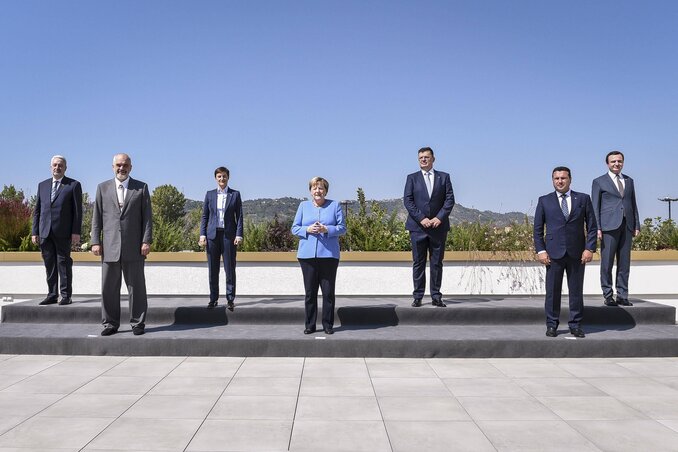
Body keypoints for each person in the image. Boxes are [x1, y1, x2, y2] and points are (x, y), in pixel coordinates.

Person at [91, 153, 152, 336]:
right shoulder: (102, 188)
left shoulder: (141, 188)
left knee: (137, 288)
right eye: (118, 165)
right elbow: (96, 217)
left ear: (130, 167)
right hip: (109, 247)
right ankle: (110, 323)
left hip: (134, 247)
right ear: (112, 167)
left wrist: (146, 240)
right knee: (108, 288)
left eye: (125, 165)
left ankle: (138, 323)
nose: (121, 168)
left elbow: (147, 218)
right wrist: (95, 241)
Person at [534, 166, 597, 338]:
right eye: (556, 178)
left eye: (563, 178)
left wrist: (589, 248)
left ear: (570, 179)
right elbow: (538, 230)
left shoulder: (583, 199)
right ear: (552, 180)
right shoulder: (544, 200)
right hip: (552, 254)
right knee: (552, 292)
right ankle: (552, 325)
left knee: (576, 291)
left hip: (577, 254)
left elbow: (592, 226)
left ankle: (575, 324)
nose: (560, 181)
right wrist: (541, 251)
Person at [291, 177, 346, 334]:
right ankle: (310, 325)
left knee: (328, 292)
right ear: (310, 191)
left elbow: (342, 228)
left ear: (326, 191)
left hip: (329, 255)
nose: (318, 191)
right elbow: (294, 228)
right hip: (307, 256)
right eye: (314, 188)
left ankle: (328, 325)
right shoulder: (303, 206)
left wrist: (327, 229)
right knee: (310, 292)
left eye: (321, 188)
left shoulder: (335, 205)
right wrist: (307, 230)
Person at [403, 147, 455, 307]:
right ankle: (418, 296)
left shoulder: (444, 177)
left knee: (436, 262)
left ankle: (436, 296)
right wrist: (422, 218)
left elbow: (449, 200)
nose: (423, 160)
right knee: (418, 262)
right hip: (418, 228)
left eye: (426, 157)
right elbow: (408, 201)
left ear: (433, 159)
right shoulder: (411, 178)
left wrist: (439, 218)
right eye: (420, 158)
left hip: (438, 228)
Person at [31, 155, 83, 306]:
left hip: (64, 232)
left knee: (64, 263)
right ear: (50, 167)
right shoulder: (42, 185)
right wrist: (35, 232)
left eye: (60, 165)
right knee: (49, 264)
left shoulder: (73, 185)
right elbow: (37, 210)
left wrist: (76, 232)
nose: (57, 168)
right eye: (54, 165)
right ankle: (52, 294)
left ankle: (66, 295)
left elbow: (77, 211)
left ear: (65, 168)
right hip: (45, 232)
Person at [591, 151, 640, 307]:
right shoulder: (599, 182)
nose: (616, 164)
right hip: (608, 227)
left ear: (623, 162)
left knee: (624, 263)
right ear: (607, 164)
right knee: (607, 263)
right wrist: (597, 227)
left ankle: (623, 295)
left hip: (627, 226)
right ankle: (608, 295)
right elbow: (595, 206)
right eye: (613, 161)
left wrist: (636, 224)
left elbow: (633, 204)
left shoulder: (629, 181)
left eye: (619, 161)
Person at [199, 166, 243, 310]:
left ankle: (230, 299)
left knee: (230, 268)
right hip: (212, 236)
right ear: (215, 178)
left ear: (228, 177)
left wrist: (239, 235)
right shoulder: (209, 194)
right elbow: (205, 216)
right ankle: (213, 299)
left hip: (228, 236)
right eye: (219, 176)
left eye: (224, 176)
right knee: (213, 269)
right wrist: (202, 234)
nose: (222, 179)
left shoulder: (235, 194)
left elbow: (240, 216)